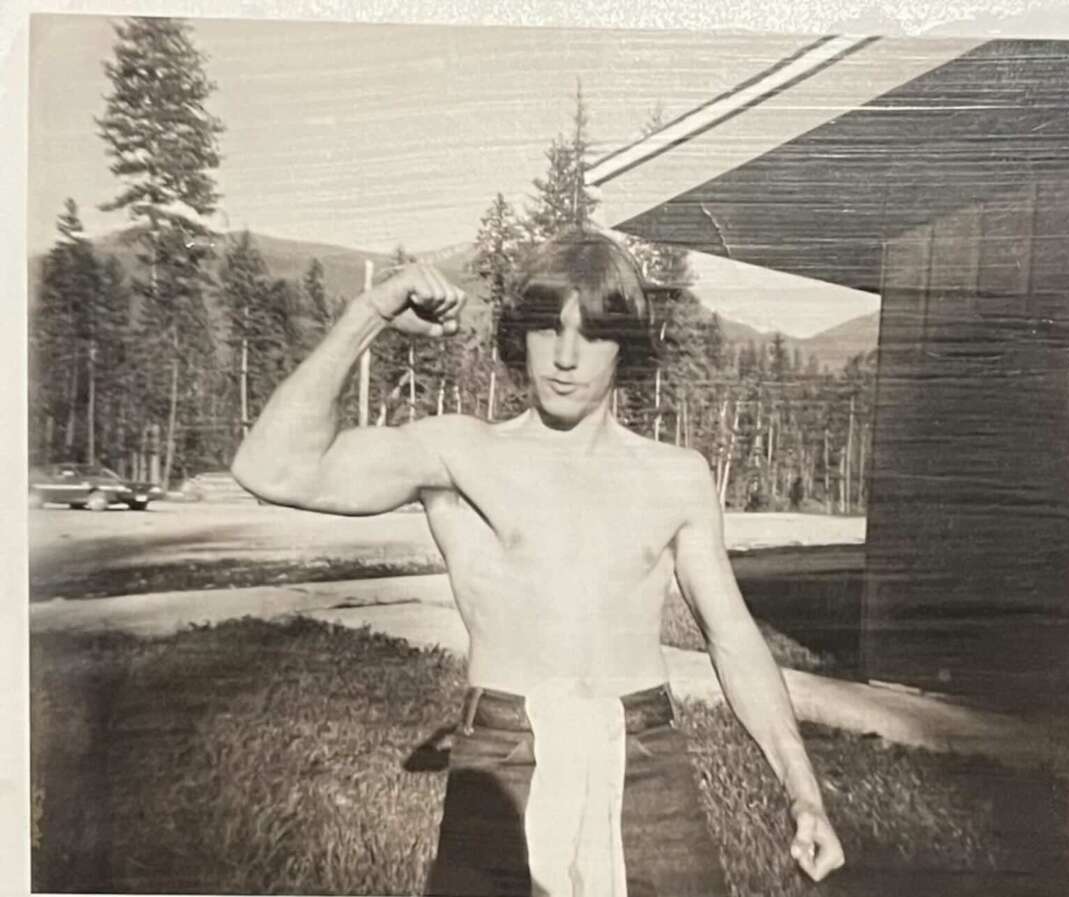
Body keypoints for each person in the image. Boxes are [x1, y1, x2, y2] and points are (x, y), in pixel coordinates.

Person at [232, 227, 845, 897]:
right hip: (503, 758)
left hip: (647, 760)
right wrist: (371, 312)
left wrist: (803, 792)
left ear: (626, 347)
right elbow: (271, 467)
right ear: (519, 335)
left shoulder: (676, 476)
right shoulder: (461, 455)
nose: (565, 355)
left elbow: (732, 637)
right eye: (547, 327)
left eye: (593, 334)